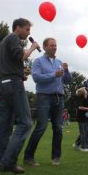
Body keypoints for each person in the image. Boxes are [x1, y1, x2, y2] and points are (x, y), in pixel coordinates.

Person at [0, 18, 40, 174]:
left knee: (5, 127)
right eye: (27, 29)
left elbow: (12, 62)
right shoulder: (14, 38)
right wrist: (33, 47)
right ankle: (8, 162)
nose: (29, 33)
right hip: (13, 84)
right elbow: (22, 56)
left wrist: (21, 73)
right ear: (18, 28)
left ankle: (3, 163)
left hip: (2, 83)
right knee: (26, 123)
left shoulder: (2, 42)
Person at [24, 37, 71, 167]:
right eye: (51, 45)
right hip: (44, 96)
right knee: (41, 127)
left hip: (59, 97)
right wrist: (53, 75)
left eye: (55, 45)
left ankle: (56, 157)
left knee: (58, 128)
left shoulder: (60, 62)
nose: (54, 47)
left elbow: (67, 81)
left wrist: (66, 71)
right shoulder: (38, 62)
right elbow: (37, 78)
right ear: (45, 47)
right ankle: (28, 157)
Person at [75, 87, 88, 152]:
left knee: (83, 133)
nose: (87, 91)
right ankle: (83, 147)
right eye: (85, 90)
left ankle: (76, 144)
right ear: (83, 93)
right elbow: (80, 107)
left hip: (85, 118)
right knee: (83, 133)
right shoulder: (81, 99)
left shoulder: (86, 99)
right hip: (81, 118)